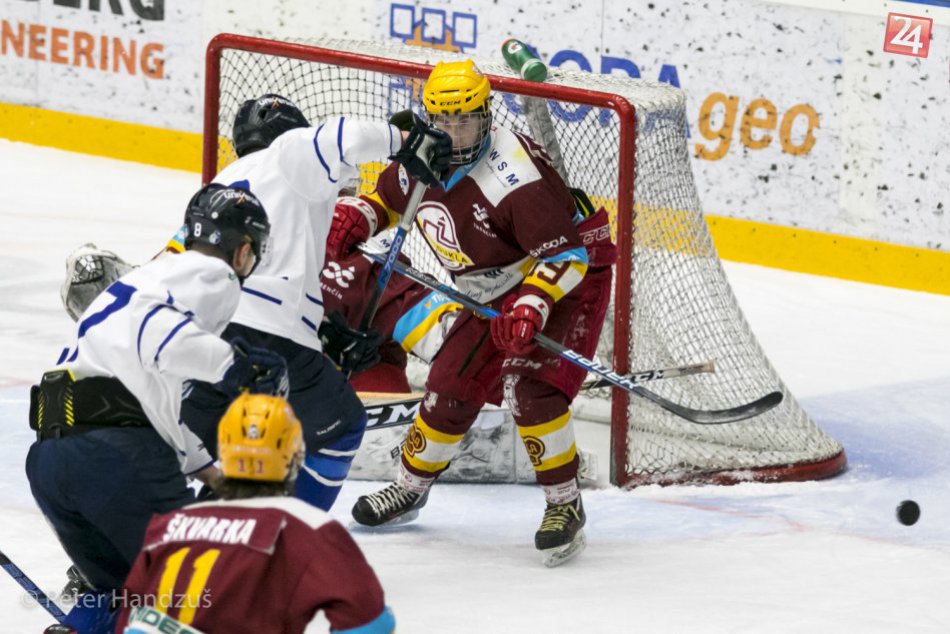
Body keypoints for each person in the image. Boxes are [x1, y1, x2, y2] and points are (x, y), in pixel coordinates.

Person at [327, 60, 617, 566]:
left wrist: (530, 304)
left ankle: (564, 505)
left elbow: (566, 256)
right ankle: (410, 489)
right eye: (442, 120)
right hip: (490, 286)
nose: (453, 132)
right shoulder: (422, 151)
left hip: (565, 277)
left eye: (465, 120)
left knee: (531, 389)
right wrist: (360, 215)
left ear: (485, 115)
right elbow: (390, 201)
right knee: (448, 385)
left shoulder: (515, 177)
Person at [27, 184, 287, 633]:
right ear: (243, 250)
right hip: (117, 457)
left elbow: (147, 398)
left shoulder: (139, 282)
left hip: (51, 461)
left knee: (122, 592)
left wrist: (210, 472)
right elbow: (157, 336)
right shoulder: (214, 275)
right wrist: (233, 367)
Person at [176, 94, 452, 512]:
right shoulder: (291, 154)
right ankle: (286, 538)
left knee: (229, 454)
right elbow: (349, 137)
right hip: (265, 334)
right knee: (341, 428)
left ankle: (182, 551)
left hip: (196, 331)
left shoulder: (223, 184)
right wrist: (408, 140)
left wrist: (319, 329)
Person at [114, 393, 395, 634]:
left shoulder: (170, 523)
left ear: (222, 451)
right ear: (295, 455)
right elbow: (371, 624)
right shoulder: (308, 528)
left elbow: (128, 619)